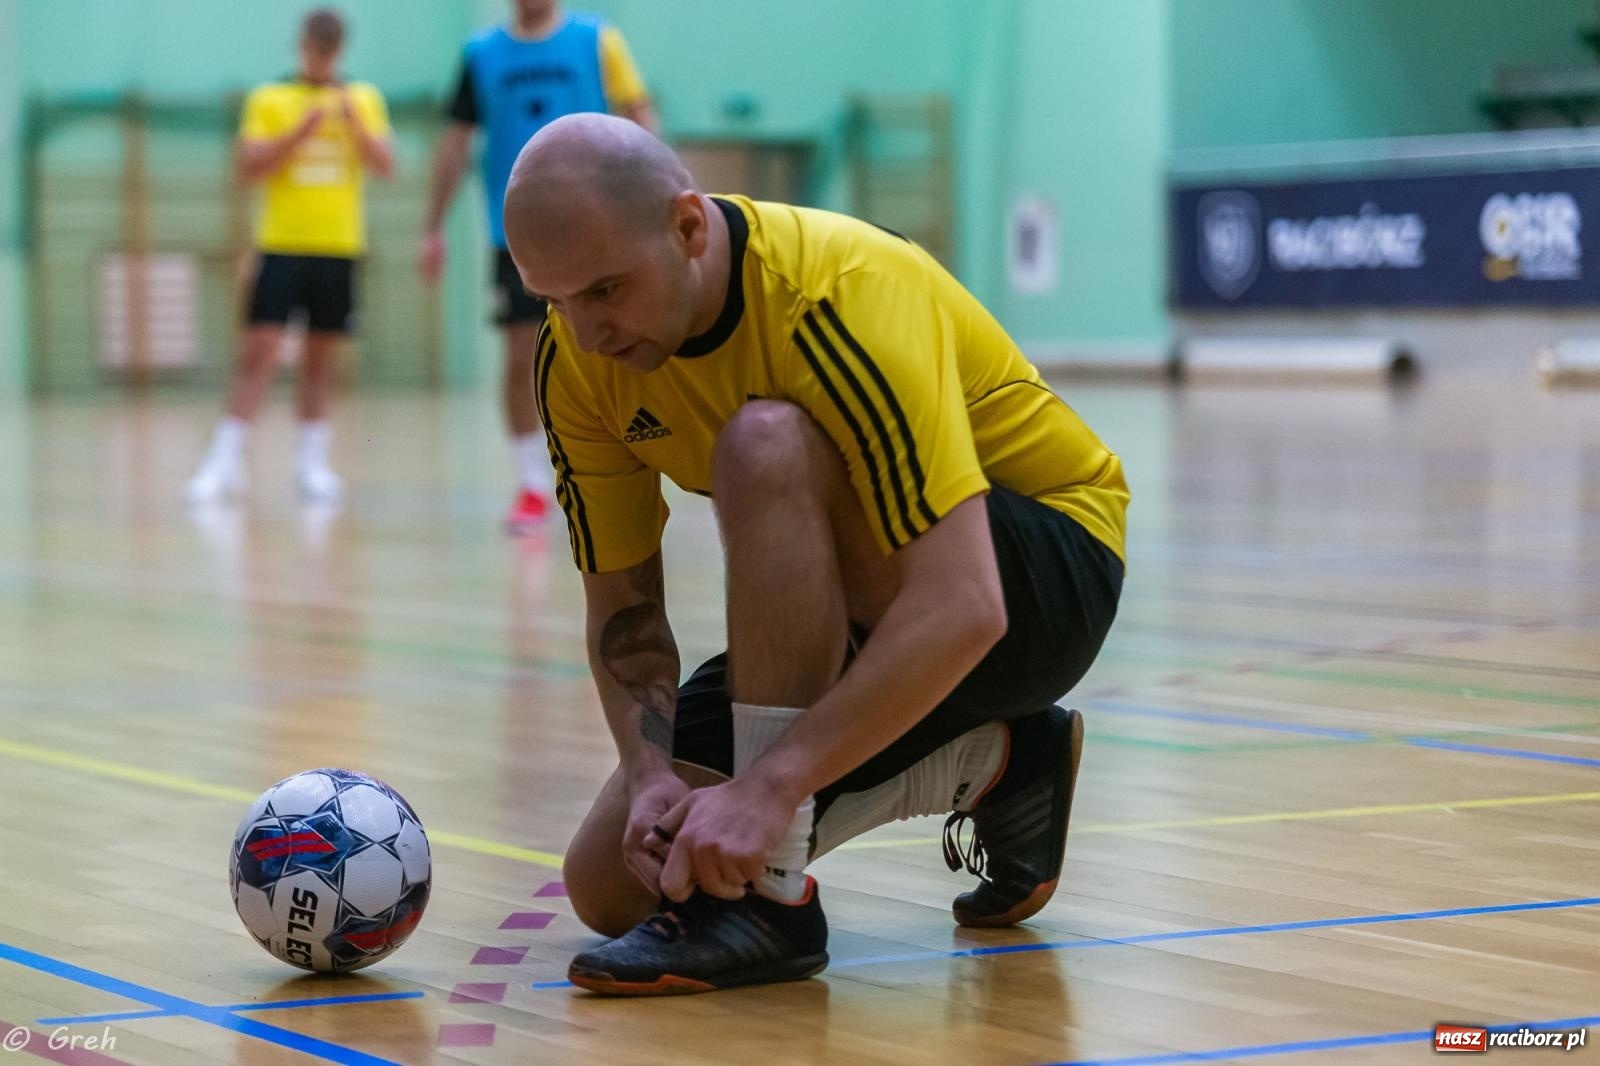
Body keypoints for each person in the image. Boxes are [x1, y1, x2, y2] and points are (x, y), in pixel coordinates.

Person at [504, 115, 1128, 996]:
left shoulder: (837, 291)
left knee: (763, 443)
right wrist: (647, 775)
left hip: (1042, 578)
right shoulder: (576, 358)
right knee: (612, 882)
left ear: (687, 227)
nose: (587, 330)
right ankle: (995, 763)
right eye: (553, 299)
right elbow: (625, 603)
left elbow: (966, 604)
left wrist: (771, 791)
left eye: (606, 289)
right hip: (882, 606)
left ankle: (771, 898)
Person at [418, 0, 656, 534]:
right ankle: (530, 483)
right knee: (523, 353)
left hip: (600, 227)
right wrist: (433, 226)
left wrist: (660, 202)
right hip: (517, 236)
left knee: (616, 344)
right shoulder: (480, 54)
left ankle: (626, 475)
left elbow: (639, 117)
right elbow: (455, 144)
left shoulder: (599, 40)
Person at [185, 9, 393, 506]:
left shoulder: (362, 99)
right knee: (258, 351)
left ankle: (311, 466)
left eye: (329, 49)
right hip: (281, 245)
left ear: (340, 50)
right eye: (313, 48)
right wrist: (298, 134)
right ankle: (224, 461)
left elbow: (385, 164)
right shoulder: (270, 99)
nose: (320, 57)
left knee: (320, 360)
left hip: (337, 246)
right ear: (301, 46)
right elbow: (246, 166)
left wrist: (354, 126)